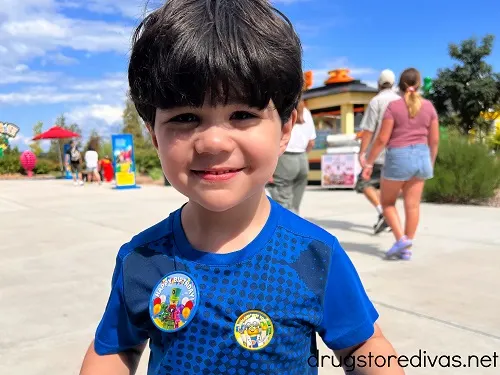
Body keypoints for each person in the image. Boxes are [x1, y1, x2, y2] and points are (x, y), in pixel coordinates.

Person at [79, 1, 403, 374]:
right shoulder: (141, 258)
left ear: (284, 129)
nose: (213, 143)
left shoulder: (312, 256)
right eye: (185, 118)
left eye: (242, 115)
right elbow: (115, 348)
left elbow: (362, 343)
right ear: (154, 136)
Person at [363, 68, 439, 260]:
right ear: (419, 83)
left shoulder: (394, 107)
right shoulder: (429, 107)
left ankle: (401, 240)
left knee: (388, 203)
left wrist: (369, 162)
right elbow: (435, 140)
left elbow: (382, 139)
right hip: (421, 157)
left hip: (398, 157)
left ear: (401, 84)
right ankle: (406, 247)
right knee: (412, 206)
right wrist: (430, 161)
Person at [355, 69, 400, 234]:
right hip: (398, 154)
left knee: (363, 183)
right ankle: (389, 218)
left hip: (378, 154)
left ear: (379, 84)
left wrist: (363, 153)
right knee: (384, 188)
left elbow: (368, 130)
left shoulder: (376, 101)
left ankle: (383, 214)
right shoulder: (400, 101)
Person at [268, 99, 316, 214]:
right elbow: (311, 142)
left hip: (285, 158)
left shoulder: (281, 110)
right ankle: (295, 228)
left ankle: (287, 230)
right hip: (302, 159)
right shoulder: (306, 112)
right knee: (295, 204)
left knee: (283, 202)